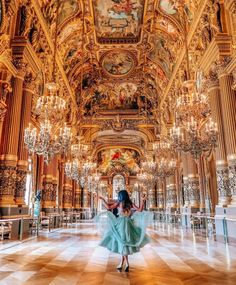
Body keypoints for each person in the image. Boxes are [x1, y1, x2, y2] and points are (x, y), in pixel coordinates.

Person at [96, 190, 152, 272]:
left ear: (120, 196)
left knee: (122, 242)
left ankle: (126, 262)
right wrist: (143, 201)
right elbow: (140, 210)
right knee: (124, 243)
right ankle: (123, 262)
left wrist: (102, 199)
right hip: (129, 224)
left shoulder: (119, 203)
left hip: (121, 224)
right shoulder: (130, 203)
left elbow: (108, 207)